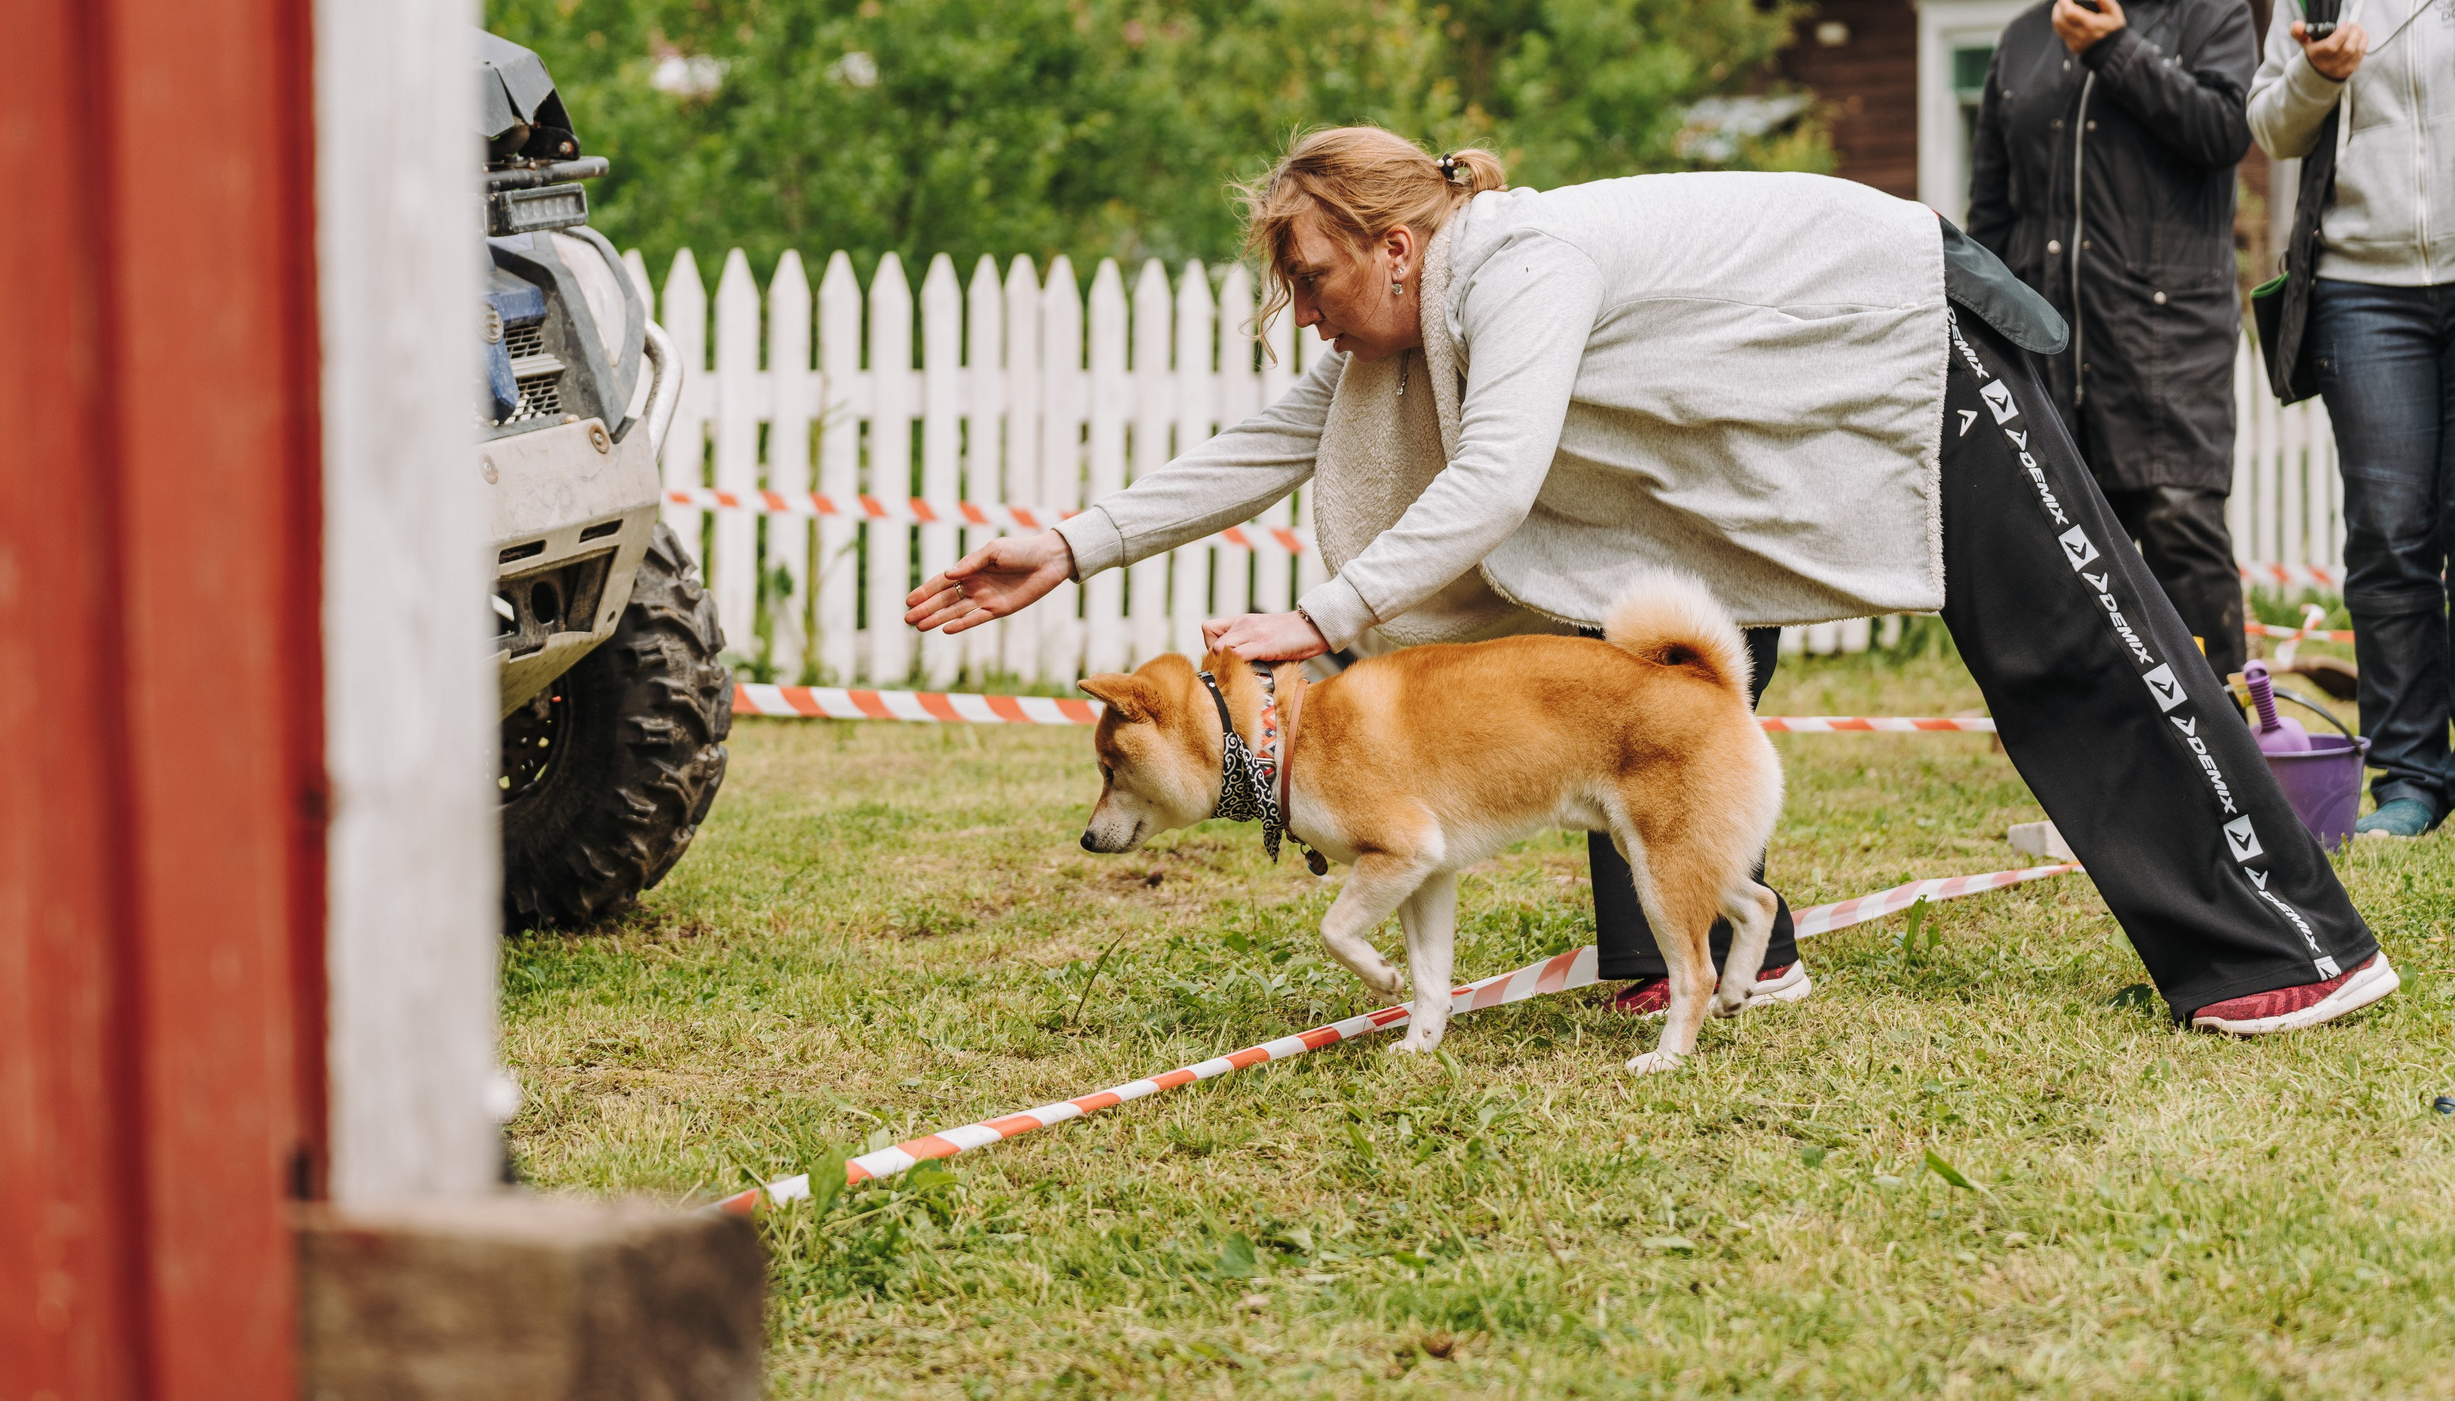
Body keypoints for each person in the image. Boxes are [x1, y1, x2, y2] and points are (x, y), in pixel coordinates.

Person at [907, 128, 2397, 1035]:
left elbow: (1494, 479)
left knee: (2067, 647)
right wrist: (1071, 544)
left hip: (1902, 341)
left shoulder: (1522, 264)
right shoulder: (1413, 316)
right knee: (1612, 647)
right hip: (1747, 434)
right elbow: (1265, 444)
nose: (1299, 309)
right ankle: (1715, 957)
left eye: (1309, 276)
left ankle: (2285, 950)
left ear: (1395, 245)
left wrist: (1323, 619)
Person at [1966, 0, 2259, 678]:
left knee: (2177, 524)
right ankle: (2070, 738)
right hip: (2045, 338)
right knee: (2052, 547)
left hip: (2165, 338)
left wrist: (2115, 51)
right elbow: (1993, 205)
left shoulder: (2214, 14)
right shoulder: (2025, 37)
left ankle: (2222, 729)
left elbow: (2224, 132)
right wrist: (1980, 321)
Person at [2250, 0, 2455, 840]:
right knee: (2388, 538)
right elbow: (2269, 127)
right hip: (2364, 292)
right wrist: (2319, 78)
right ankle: (2411, 779)